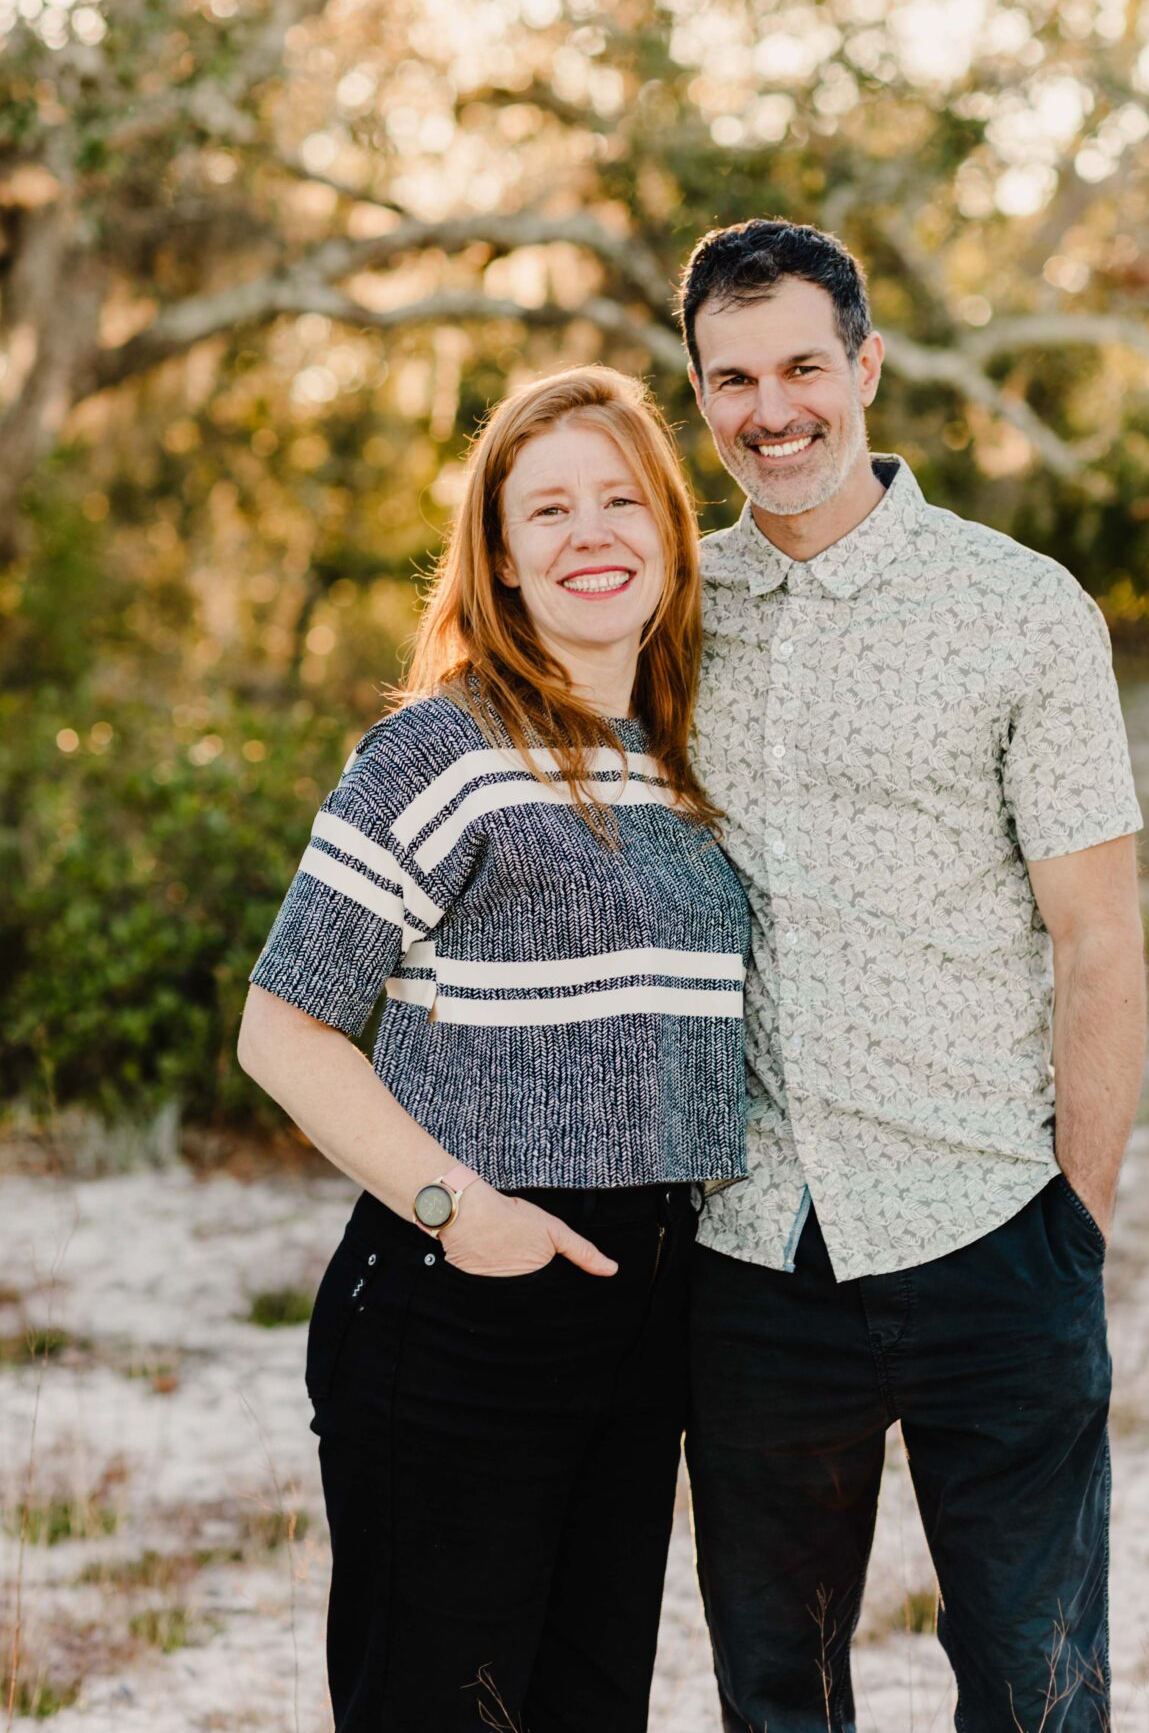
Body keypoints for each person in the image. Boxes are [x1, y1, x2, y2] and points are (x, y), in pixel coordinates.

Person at [677, 220, 1146, 1733]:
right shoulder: (673, 615)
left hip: (990, 1225)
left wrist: (1077, 1220)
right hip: (750, 1243)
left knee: (1035, 1691)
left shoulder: (1018, 608)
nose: (775, 409)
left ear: (866, 368)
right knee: (777, 1696)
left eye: (804, 365)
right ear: (700, 399)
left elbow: (1099, 938)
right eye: (733, 379)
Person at [236, 365, 749, 1733]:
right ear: (506, 562)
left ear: (669, 532)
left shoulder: (681, 760)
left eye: (621, 499)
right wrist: (460, 1213)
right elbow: (282, 1023)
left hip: (646, 1311)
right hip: (463, 1304)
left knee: (586, 1710)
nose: (592, 534)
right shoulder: (436, 750)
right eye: (550, 511)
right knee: (447, 1709)